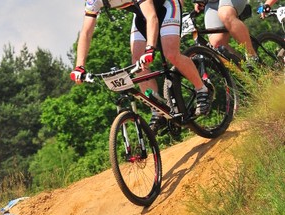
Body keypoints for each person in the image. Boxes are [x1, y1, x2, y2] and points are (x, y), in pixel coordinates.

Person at [71, 0, 212, 133]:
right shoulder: (93, 1)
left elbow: (152, 17)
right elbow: (86, 32)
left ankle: (202, 89)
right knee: (137, 63)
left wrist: (150, 48)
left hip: (166, 6)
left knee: (171, 54)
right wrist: (79, 66)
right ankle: (158, 111)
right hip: (141, 15)